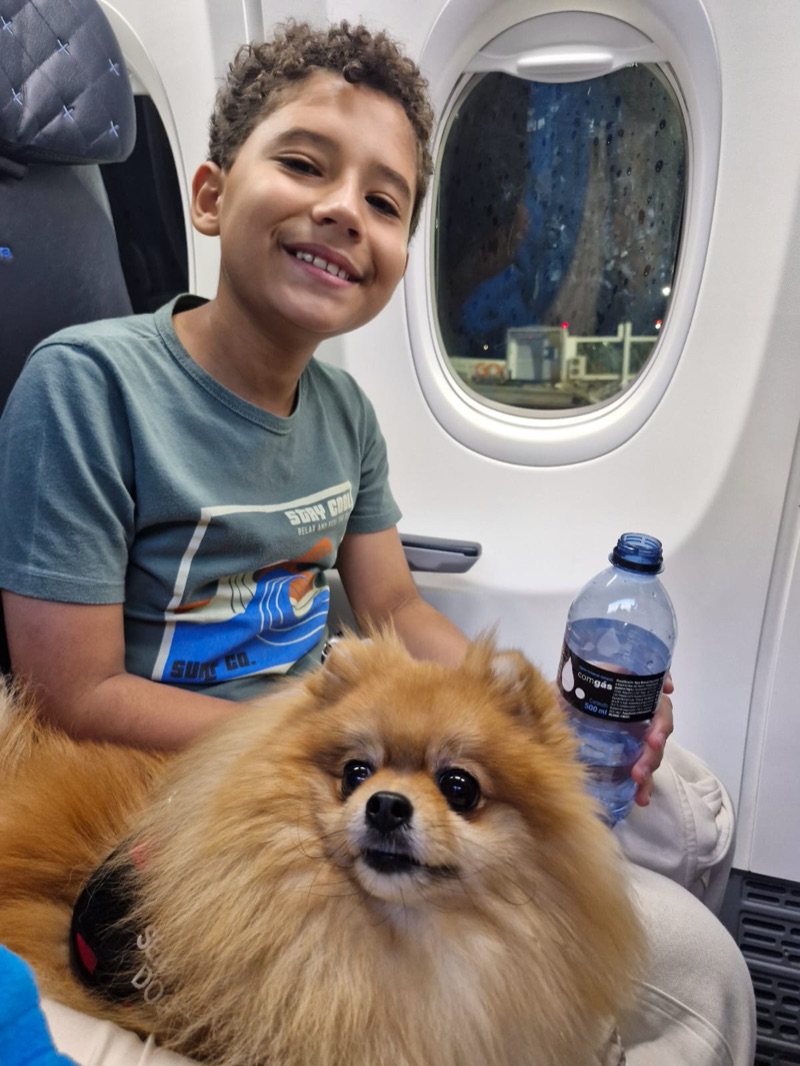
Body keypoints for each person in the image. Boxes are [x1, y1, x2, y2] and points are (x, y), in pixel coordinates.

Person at [0, 18, 671, 792]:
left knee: (680, 804)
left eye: (385, 203)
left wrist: (525, 712)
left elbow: (395, 607)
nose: (347, 210)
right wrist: (320, 740)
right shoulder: (87, 389)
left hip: (328, 758)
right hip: (170, 785)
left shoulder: (345, 413)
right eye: (302, 163)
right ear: (212, 198)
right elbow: (73, 703)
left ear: (397, 264)